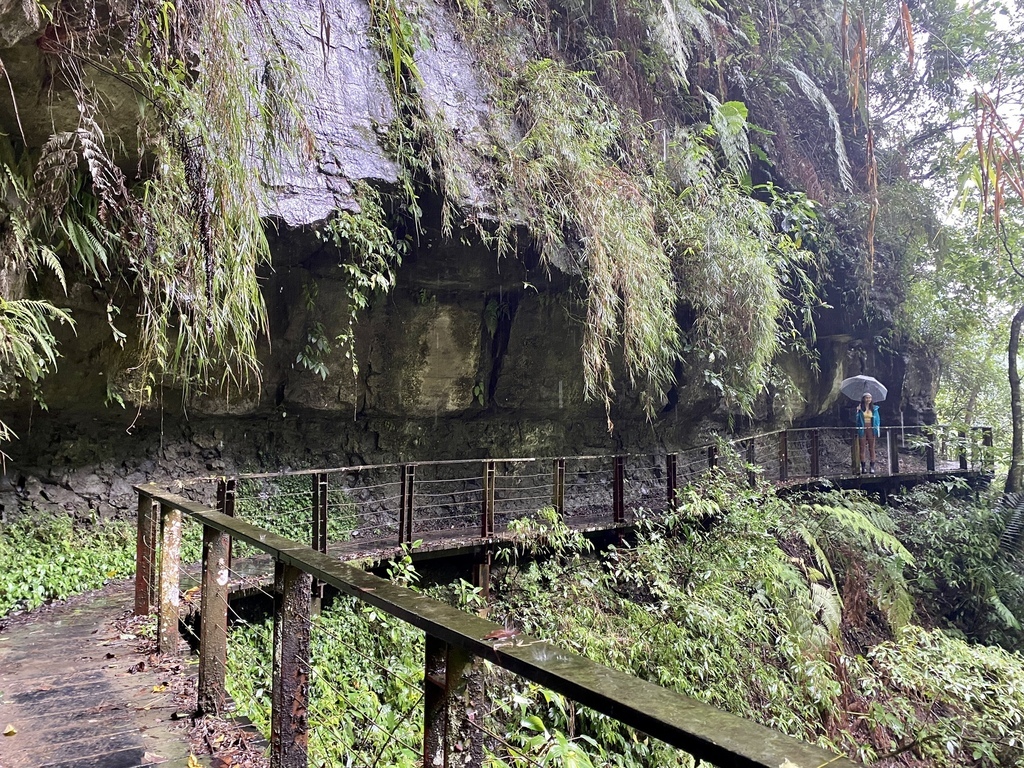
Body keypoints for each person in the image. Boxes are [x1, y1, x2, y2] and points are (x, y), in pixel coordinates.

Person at [855, 393, 881, 474]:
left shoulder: (874, 408)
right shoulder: (860, 408)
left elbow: (878, 420)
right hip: (863, 428)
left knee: (871, 447)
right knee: (862, 447)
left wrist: (877, 428)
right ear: (863, 399)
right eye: (867, 398)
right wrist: (857, 411)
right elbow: (857, 421)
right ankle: (863, 467)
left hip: (871, 428)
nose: (868, 399)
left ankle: (872, 466)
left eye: (870, 398)